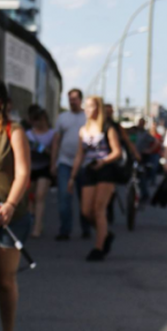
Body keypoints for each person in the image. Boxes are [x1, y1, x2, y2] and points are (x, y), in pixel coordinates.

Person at [0, 79, 32, 331]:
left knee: (4, 281)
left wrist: (9, 205)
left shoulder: (13, 131)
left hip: (9, 216)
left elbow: (22, 173)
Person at [69, 96, 123, 261]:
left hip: (105, 170)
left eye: (91, 106)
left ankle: (98, 247)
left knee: (99, 209)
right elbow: (80, 154)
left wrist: (103, 161)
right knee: (86, 211)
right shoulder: (83, 130)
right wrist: (72, 177)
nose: (87, 109)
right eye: (86, 106)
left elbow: (117, 151)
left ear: (98, 108)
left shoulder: (107, 128)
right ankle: (105, 232)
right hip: (88, 169)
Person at [50, 88, 90, 241]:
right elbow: (56, 141)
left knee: (84, 200)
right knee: (64, 198)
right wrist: (53, 163)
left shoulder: (87, 117)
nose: (72, 102)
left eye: (75, 99)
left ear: (81, 100)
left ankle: (86, 228)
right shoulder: (63, 118)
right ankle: (65, 230)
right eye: (70, 99)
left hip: (84, 165)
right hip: (65, 163)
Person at [25, 107, 55, 238]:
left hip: (44, 167)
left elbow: (54, 152)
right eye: (35, 120)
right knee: (28, 198)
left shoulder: (52, 134)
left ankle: (37, 227)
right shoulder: (28, 134)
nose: (38, 123)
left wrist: (42, 149)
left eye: (40, 120)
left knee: (40, 196)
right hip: (30, 167)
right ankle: (31, 220)